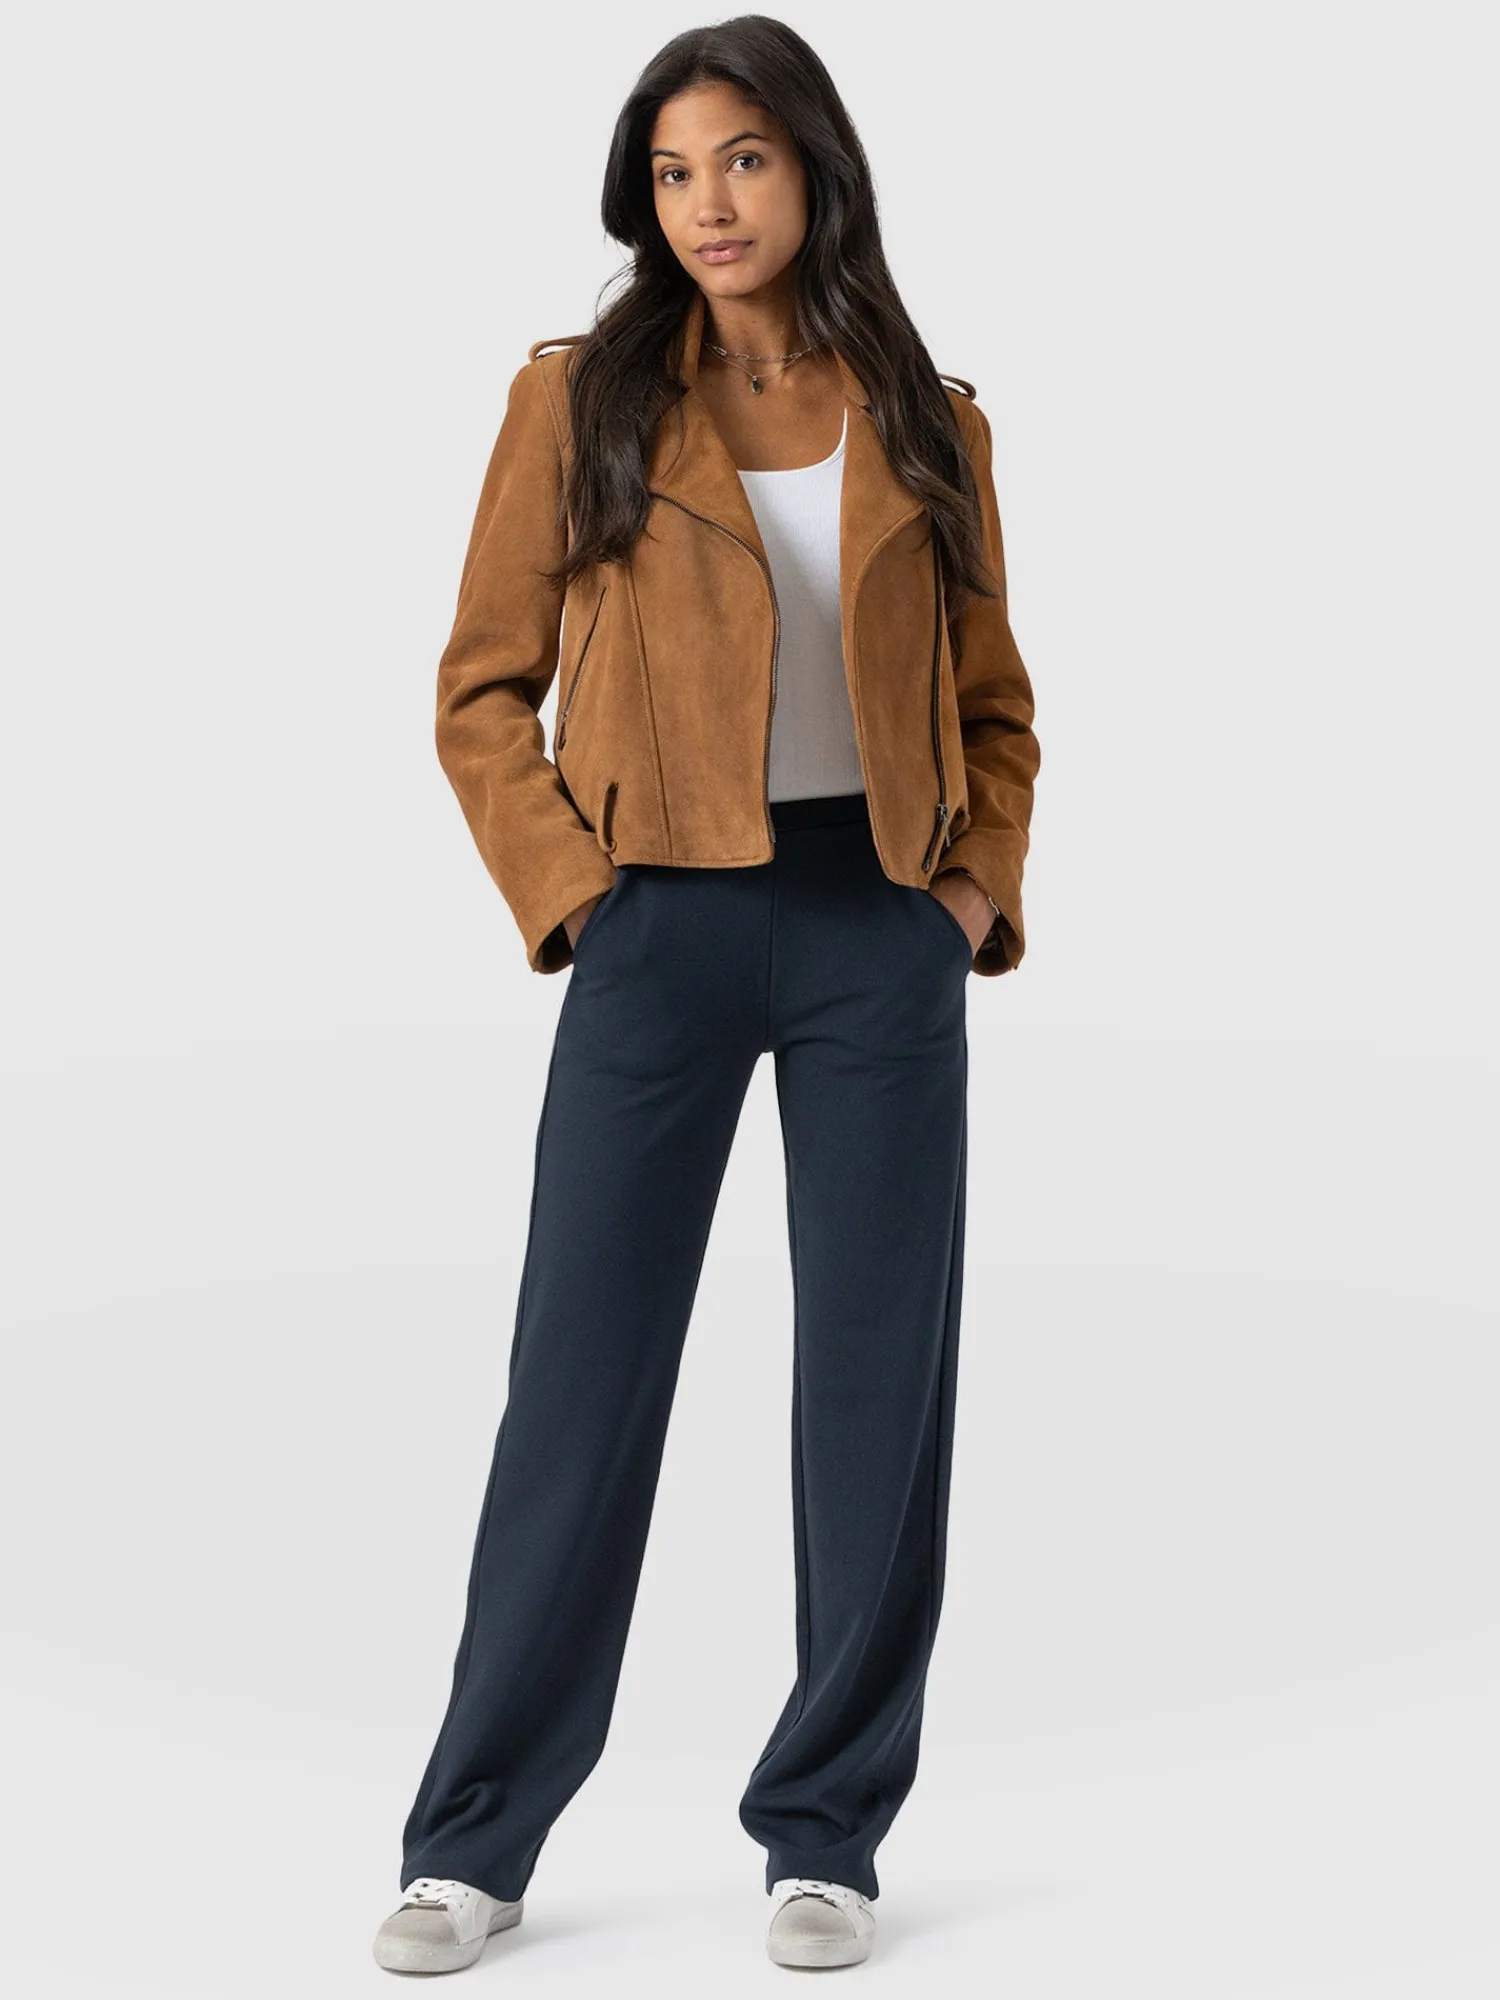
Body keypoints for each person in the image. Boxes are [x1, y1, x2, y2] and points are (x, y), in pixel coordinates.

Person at [373, 15, 1040, 1977]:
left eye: (742, 158)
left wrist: (967, 897)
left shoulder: (929, 418)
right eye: (673, 172)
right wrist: (577, 899)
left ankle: (827, 1834)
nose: (709, 204)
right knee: (579, 1389)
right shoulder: (578, 399)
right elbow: (480, 689)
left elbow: (995, 705)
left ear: (813, 166)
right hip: (651, 923)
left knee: (874, 1397)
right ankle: (473, 1839)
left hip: (876, 931)